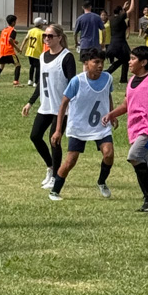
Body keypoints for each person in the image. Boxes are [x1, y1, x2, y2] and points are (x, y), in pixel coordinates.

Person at [102, 46, 148, 212]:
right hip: (136, 129)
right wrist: (111, 114)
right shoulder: (131, 81)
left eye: (133, 59)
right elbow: (126, 105)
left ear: (143, 62)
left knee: (134, 156)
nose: (129, 62)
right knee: (138, 159)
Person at [49, 47, 116, 200]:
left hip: (100, 125)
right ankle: (55, 191)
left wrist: (112, 114)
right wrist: (58, 130)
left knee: (109, 153)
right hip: (79, 126)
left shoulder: (108, 78)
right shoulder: (77, 81)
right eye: (96, 62)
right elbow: (63, 105)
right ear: (86, 63)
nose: (100, 66)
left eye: (102, 62)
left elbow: (107, 95)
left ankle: (101, 182)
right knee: (71, 160)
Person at [22, 23, 76, 188]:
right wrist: (30, 102)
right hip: (46, 106)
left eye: (50, 36)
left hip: (61, 108)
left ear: (59, 38)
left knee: (54, 141)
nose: (46, 38)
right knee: (35, 136)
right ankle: (50, 167)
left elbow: (72, 83)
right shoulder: (43, 56)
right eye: (45, 35)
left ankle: (56, 177)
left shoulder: (66, 57)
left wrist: (70, 105)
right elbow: (41, 82)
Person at [105, 0, 136, 85]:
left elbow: (121, 13)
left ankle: (118, 76)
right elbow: (131, 9)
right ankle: (110, 73)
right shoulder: (119, 18)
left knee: (124, 59)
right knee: (126, 59)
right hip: (120, 44)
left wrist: (123, 7)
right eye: (122, 11)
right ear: (120, 13)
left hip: (114, 43)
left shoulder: (112, 19)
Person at [0, 15, 22, 86]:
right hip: (9, 51)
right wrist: (17, 48)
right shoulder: (13, 30)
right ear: (13, 22)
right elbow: (10, 39)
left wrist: (14, 41)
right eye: (15, 21)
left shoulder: (4, 30)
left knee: (0, 67)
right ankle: (16, 81)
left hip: (2, 51)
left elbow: (5, 39)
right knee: (18, 65)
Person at [19, 17, 46, 86]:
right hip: (37, 52)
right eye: (42, 24)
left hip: (30, 51)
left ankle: (30, 80)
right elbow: (44, 42)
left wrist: (21, 48)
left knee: (32, 66)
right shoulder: (42, 33)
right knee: (38, 67)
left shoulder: (30, 31)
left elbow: (25, 39)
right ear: (40, 25)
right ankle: (36, 82)